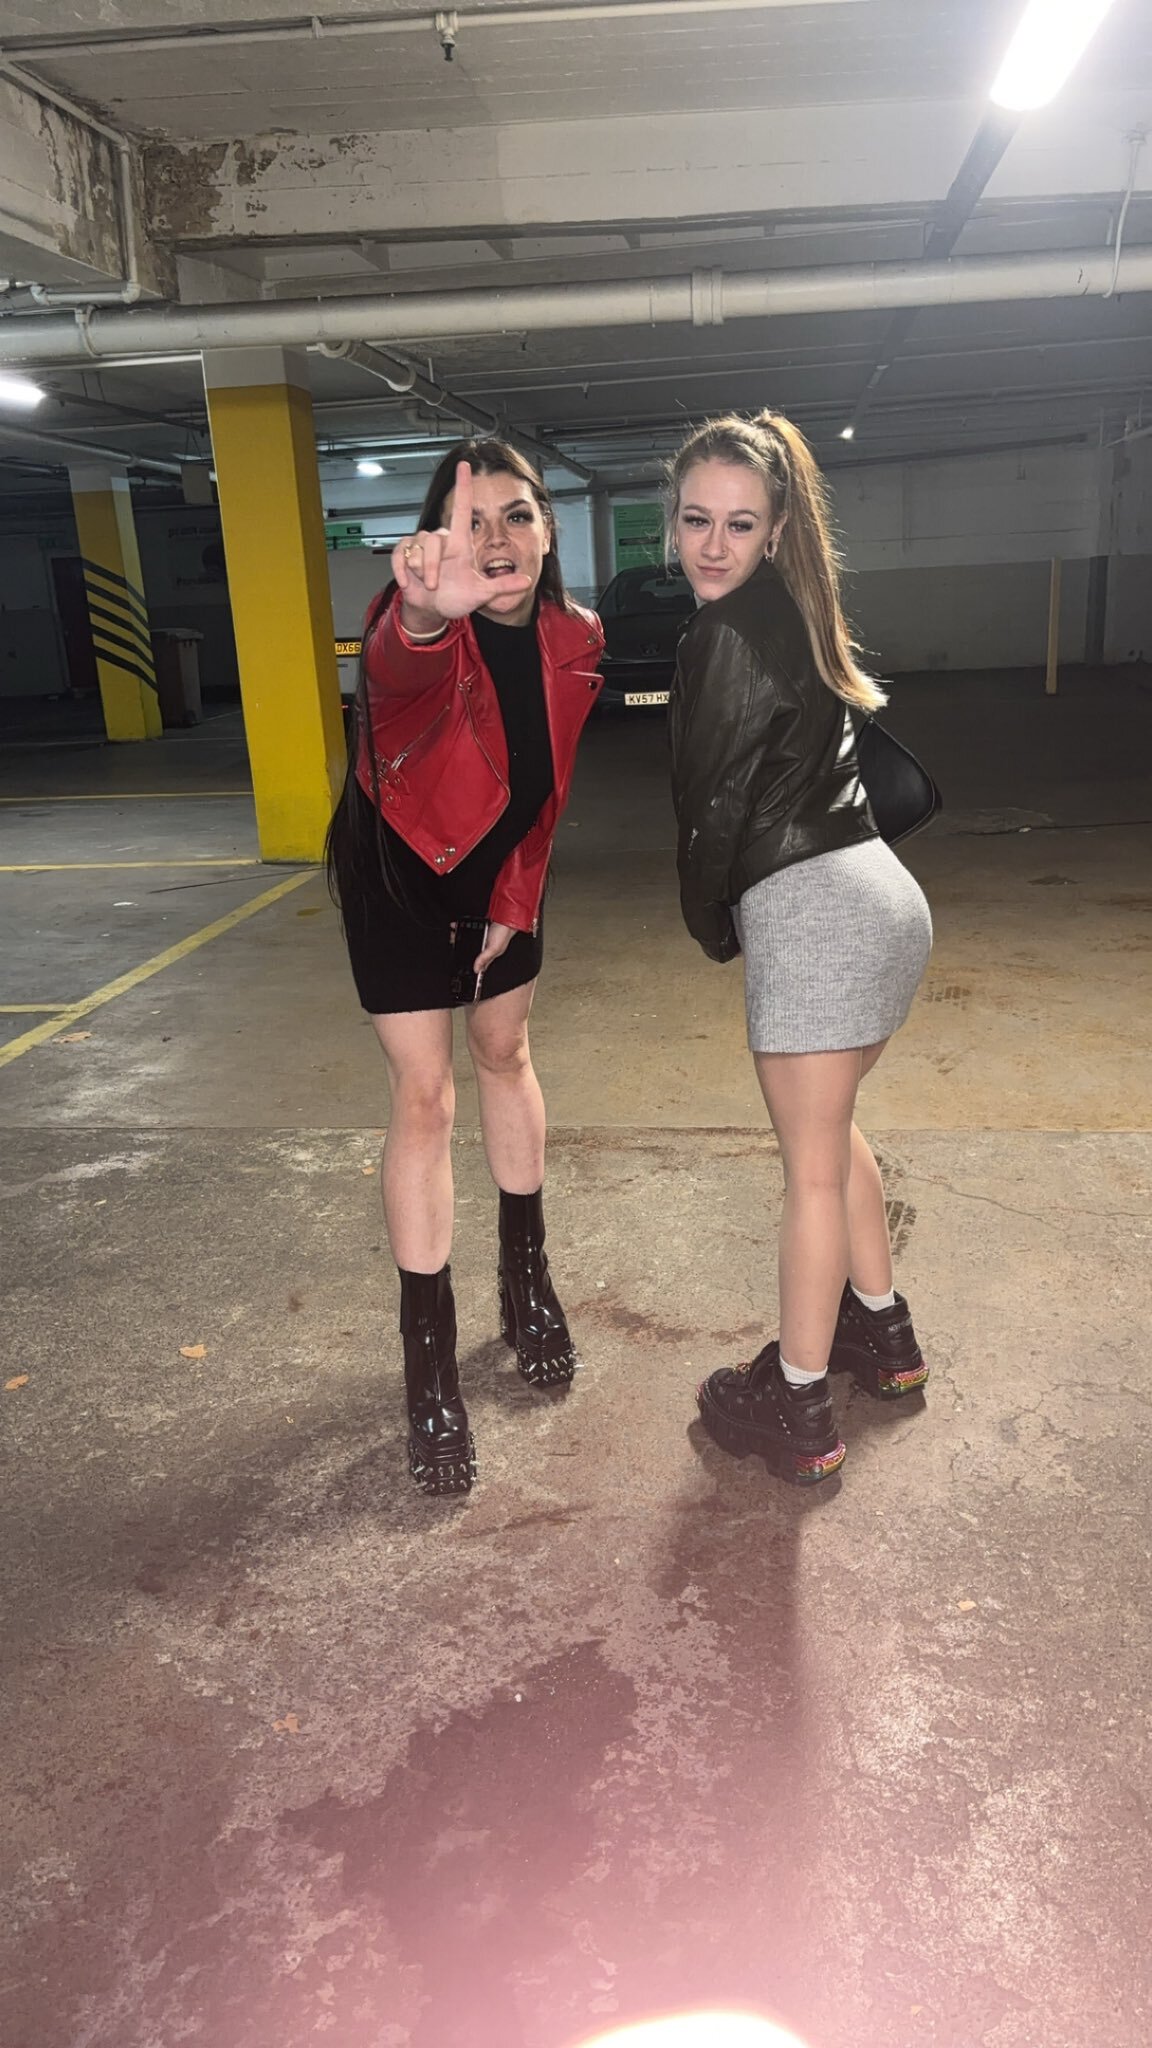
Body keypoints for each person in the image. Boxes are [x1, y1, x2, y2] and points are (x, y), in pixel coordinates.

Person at [327, 440, 604, 1497]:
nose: (496, 539)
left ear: (548, 530)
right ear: (437, 537)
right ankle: (430, 1358)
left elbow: (548, 789)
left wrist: (515, 896)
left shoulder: (576, 638)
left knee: (505, 1050)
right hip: (398, 870)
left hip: (500, 870)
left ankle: (527, 1282)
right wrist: (421, 613)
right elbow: (396, 667)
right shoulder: (413, 622)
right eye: (470, 518)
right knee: (427, 1094)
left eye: (516, 515)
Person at [667, 411, 932, 1487]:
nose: (714, 544)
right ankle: (885, 1334)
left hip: (818, 915)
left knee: (810, 1173)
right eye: (697, 520)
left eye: (740, 523)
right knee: (834, 1133)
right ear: (673, 521)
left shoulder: (724, 633)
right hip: (884, 903)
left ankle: (799, 1403)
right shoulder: (798, 611)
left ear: (774, 529)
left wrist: (710, 921)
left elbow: (712, 807)